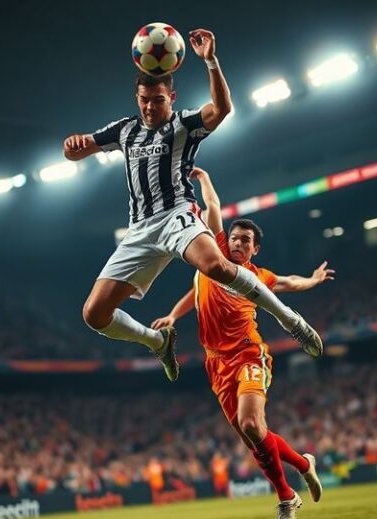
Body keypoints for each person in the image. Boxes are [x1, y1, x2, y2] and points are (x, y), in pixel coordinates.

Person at [63, 29, 322, 382]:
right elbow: (76, 151)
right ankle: (157, 342)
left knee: (215, 265)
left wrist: (211, 62)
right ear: (136, 98)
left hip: (176, 216)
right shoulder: (124, 130)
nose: (150, 107)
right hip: (139, 229)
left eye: (157, 100)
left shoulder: (184, 124)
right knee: (94, 314)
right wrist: (73, 144)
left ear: (171, 96)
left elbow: (222, 108)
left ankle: (290, 319)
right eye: (144, 100)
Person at [151, 167, 334, 519]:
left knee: (252, 424)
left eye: (245, 240)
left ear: (254, 248)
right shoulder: (211, 256)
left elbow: (287, 282)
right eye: (234, 237)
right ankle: (303, 464)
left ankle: (286, 499)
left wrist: (311, 281)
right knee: (254, 435)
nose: (237, 243)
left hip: (249, 354)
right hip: (215, 363)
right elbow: (213, 209)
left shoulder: (256, 275)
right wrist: (172, 315)